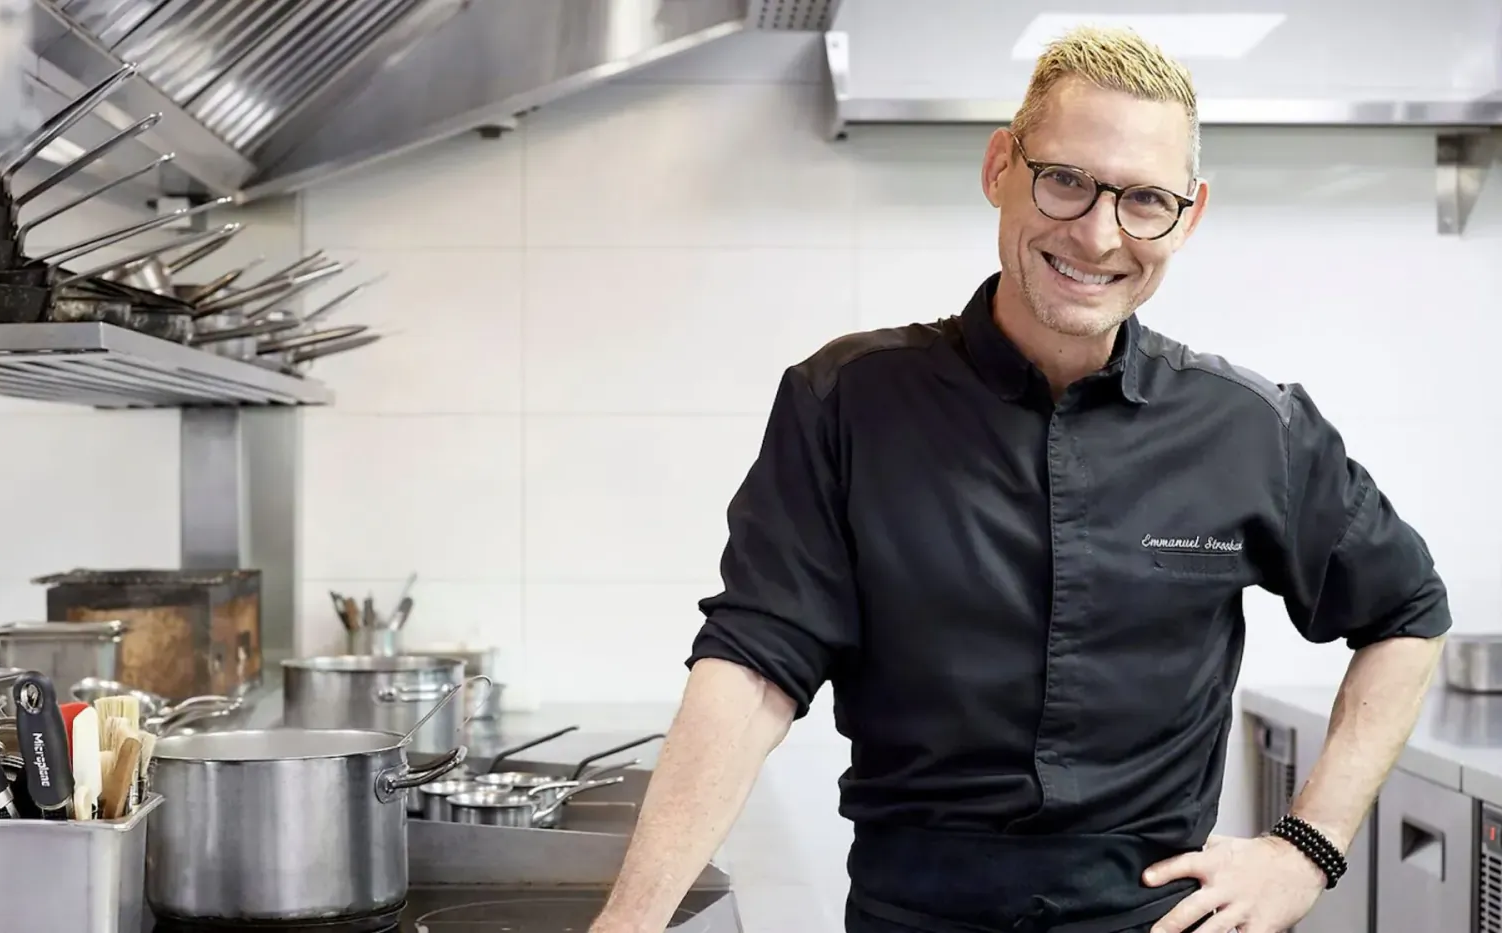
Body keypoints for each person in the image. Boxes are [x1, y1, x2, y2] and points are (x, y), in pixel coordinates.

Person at [588, 24, 1450, 933]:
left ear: (1188, 216)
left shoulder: (1250, 427)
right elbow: (754, 666)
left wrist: (1305, 849)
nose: (1098, 233)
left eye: (1145, 199)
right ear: (1001, 165)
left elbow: (1405, 611)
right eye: (1067, 179)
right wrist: (631, 922)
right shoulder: (846, 401)